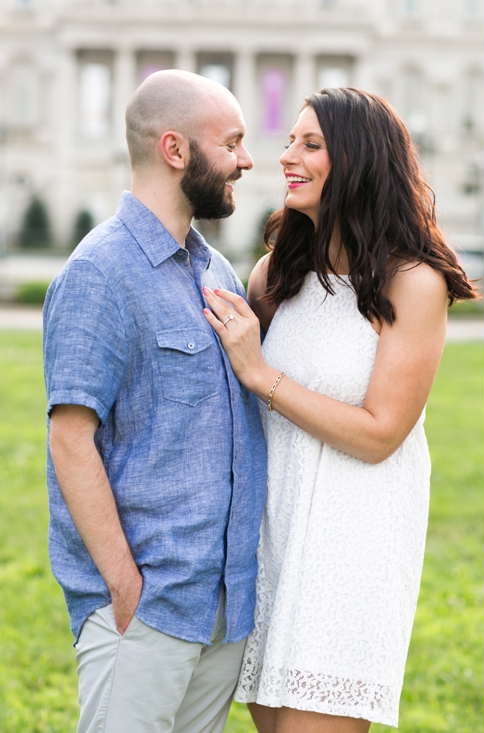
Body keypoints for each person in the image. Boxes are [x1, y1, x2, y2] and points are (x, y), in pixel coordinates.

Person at [201, 87, 477, 732]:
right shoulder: (275, 276)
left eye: (311, 143)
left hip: (352, 546)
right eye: (291, 140)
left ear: (356, 160)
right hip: (273, 532)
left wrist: (260, 373)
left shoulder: (414, 283)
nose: (287, 156)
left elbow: (382, 433)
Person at [43, 70, 265, 733]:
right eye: (232, 142)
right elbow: (69, 437)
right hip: (146, 608)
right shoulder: (98, 272)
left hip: (220, 608)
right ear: (175, 150)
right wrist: (123, 585)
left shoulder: (216, 273)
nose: (247, 159)